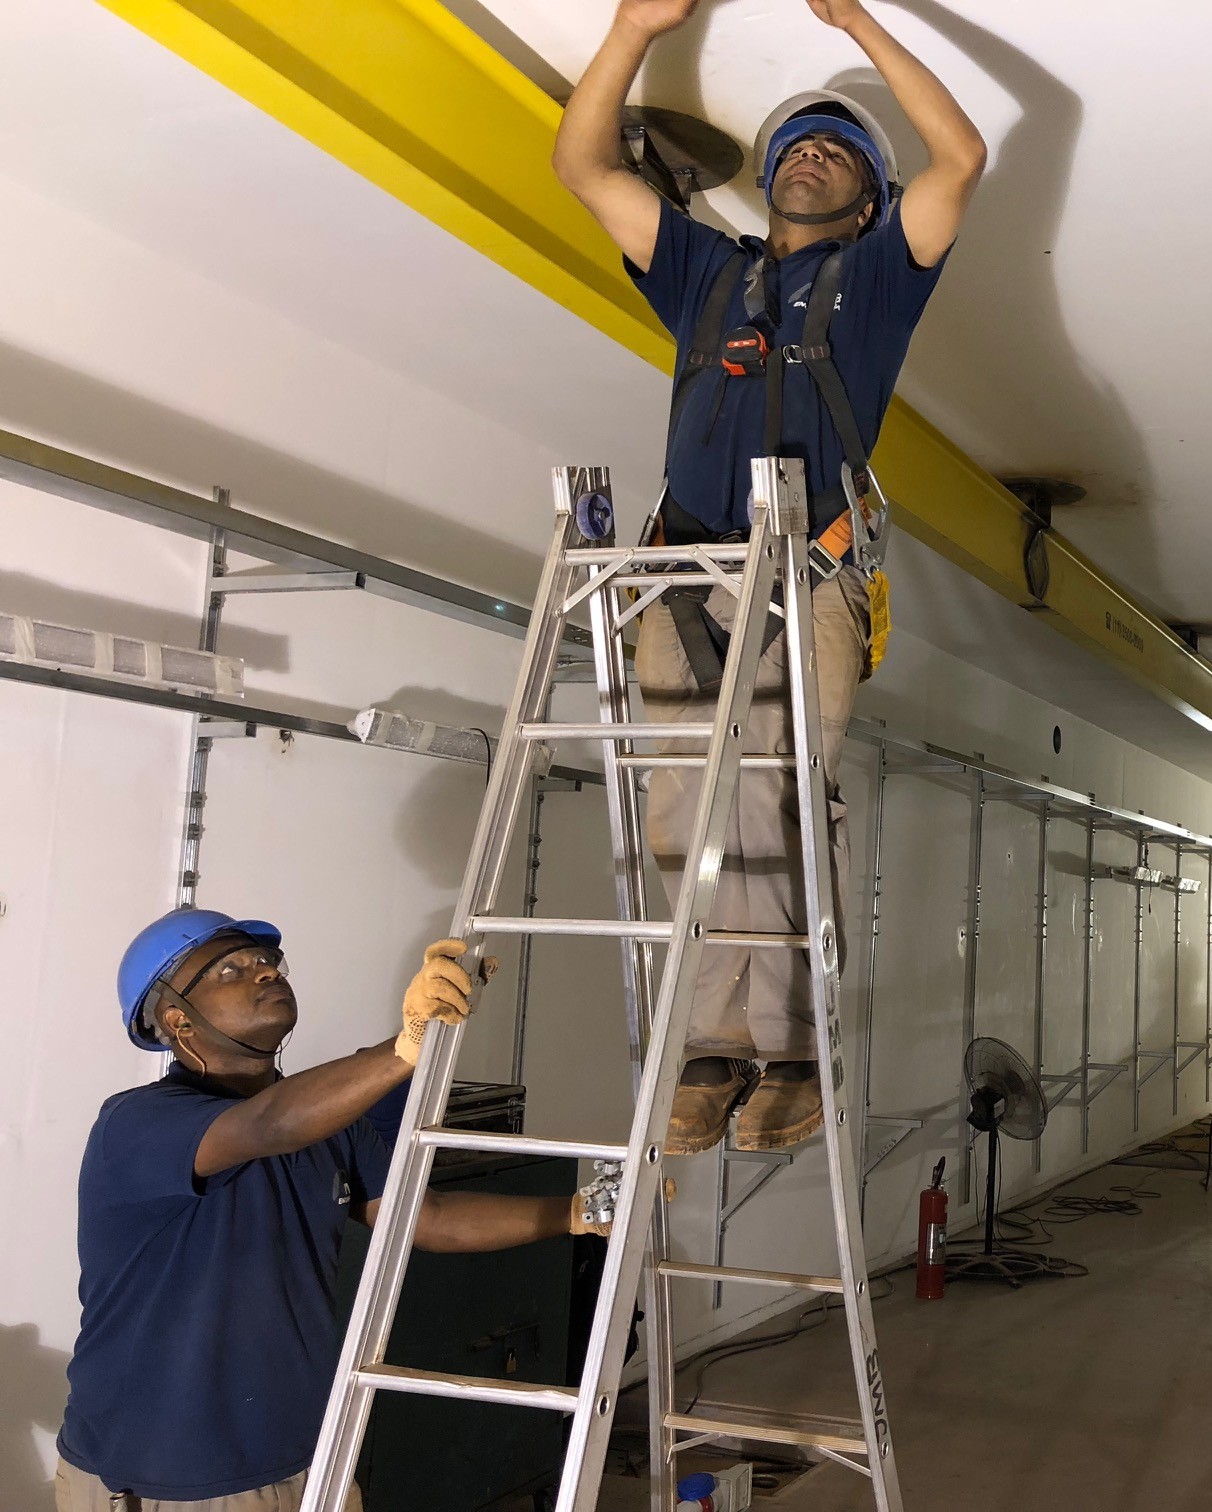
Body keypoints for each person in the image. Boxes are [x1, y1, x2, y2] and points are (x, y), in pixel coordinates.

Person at [553, 0, 986, 1154]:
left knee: (777, 792)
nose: (812, 149)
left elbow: (964, 158)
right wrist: (637, 30)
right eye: (797, 140)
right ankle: (710, 1048)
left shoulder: (883, 282)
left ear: (870, 204)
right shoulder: (703, 271)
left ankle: (792, 1049)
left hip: (808, 568)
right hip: (682, 564)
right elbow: (582, 161)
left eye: (842, 148)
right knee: (681, 804)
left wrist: (854, 21)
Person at [55, 909, 609, 1512]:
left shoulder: (325, 1125)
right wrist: (404, 1047)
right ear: (176, 1021)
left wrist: (574, 1213)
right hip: (170, 1479)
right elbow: (270, 1124)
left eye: (267, 961)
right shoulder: (135, 1125)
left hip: (311, 1461)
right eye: (229, 970)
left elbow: (429, 1218)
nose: (264, 973)